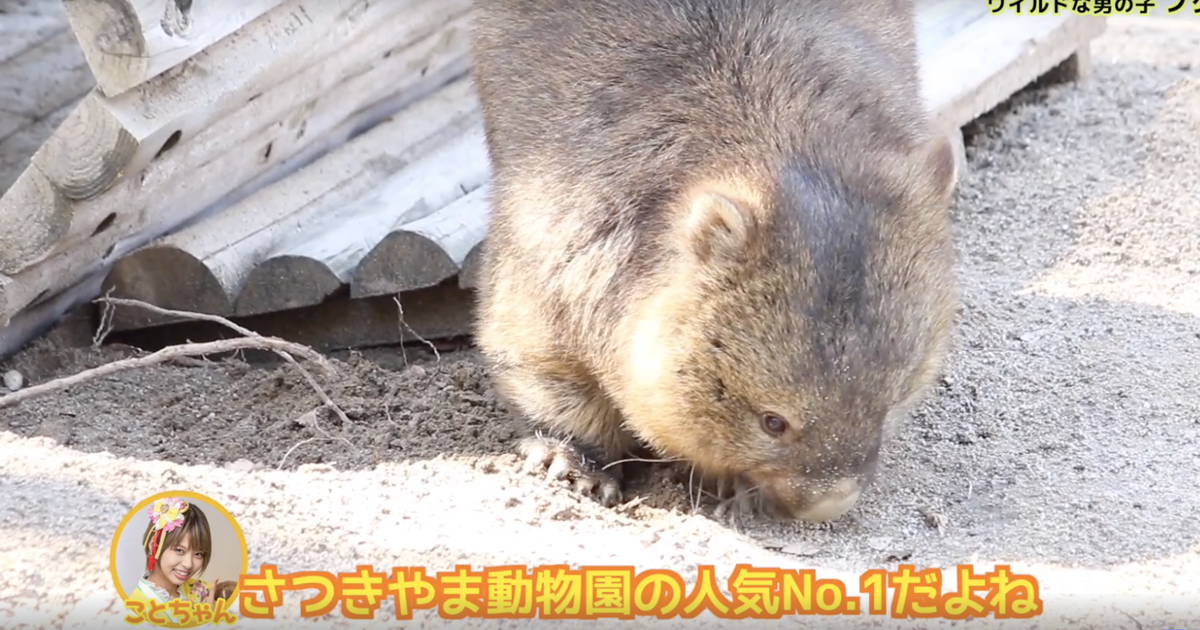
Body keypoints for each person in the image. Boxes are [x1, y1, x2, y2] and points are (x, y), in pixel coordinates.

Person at [125, 497, 222, 625]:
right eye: (179, 550)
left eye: (198, 554)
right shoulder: (135, 608)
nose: (188, 564)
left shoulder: (203, 591)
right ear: (154, 544)